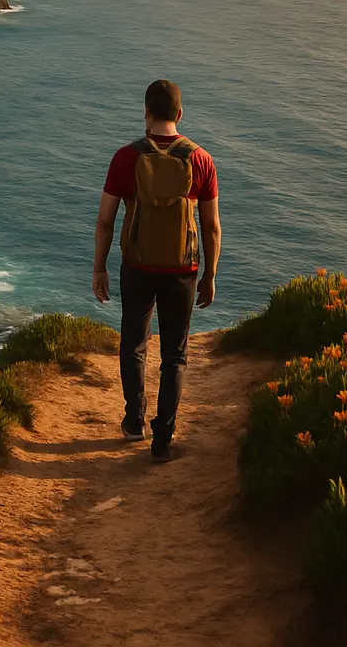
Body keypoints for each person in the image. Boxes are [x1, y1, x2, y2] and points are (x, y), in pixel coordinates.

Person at [91, 79, 220, 462]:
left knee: (134, 343)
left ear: (145, 111)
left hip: (137, 265)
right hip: (183, 268)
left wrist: (100, 268)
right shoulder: (201, 159)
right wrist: (210, 274)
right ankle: (163, 439)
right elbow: (211, 226)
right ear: (180, 114)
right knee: (175, 355)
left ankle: (134, 420)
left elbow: (105, 220)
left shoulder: (126, 158)